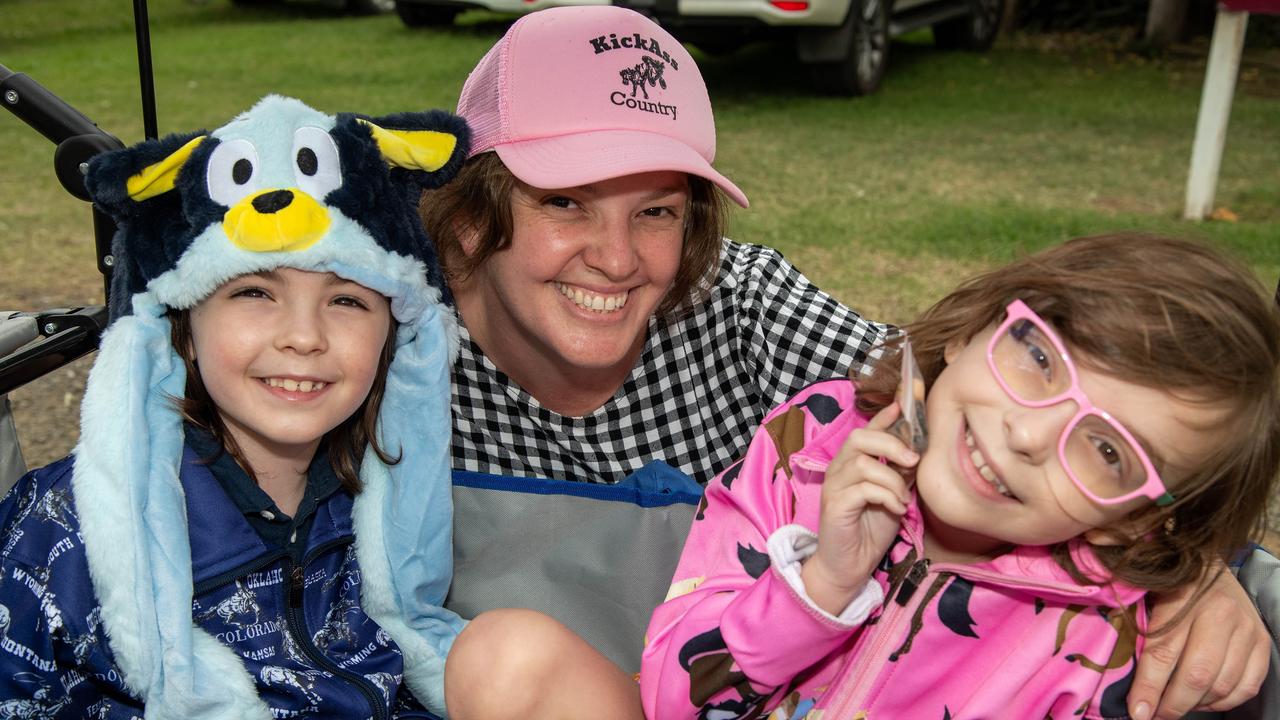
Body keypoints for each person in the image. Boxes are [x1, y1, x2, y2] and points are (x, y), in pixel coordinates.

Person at [431, 7, 1272, 720]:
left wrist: (1197, 565)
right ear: (471, 217)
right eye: (565, 203)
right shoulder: (395, 353)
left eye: (657, 210)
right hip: (681, 682)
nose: (616, 260)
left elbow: (933, 391)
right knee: (504, 657)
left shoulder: (747, 310)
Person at [639, 234, 1280, 719]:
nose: (1028, 435)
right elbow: (672, 701)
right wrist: (822, 584)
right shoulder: (809, 445)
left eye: (1109, 453)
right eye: (1037, 357)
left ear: (1134, 519)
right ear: (974, 330)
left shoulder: (1100, 641)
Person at [0, 96, 467, 717]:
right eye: (254, 292)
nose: (303, 336)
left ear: (395, 333)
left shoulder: (386, 503)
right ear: (184, 324)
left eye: (347, 301)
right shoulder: (63, 530)